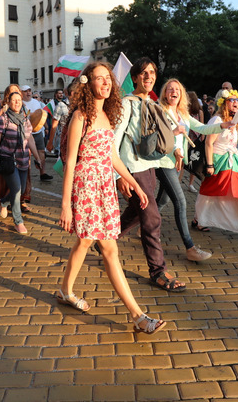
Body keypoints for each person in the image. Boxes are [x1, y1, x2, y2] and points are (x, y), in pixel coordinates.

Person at [57, 61, 167, 333]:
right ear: (87, 83)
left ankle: (64, 291)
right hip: (85, 184)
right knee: (104, 247)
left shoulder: (108, 114)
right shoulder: (81, 116)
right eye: (99, 79)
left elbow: (113, 156)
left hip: (104, 186)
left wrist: (136, 185)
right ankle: (138, 316)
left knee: (86, 243)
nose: (106, 83)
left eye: (108, 78)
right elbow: (71, 162)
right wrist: (65, 205)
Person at [115, 57, 186, 292]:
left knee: (137, 211)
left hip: (148, 167)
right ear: (134, 77)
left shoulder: (152, 103)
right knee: (152, 218)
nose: (149, 76)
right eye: (143, 73)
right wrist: (120, 177)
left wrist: (175, 150)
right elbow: (114, 141)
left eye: (152, 72)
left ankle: (105, 240)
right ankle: (157, 271)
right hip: (133, 169)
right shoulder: (127, 103)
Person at [155, 79, 227, 261]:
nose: (174, 91)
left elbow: (202, 127)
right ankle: (190, 247)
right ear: (165, 93)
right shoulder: (160, 111)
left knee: (162, 200)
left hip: (176, 163)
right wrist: (174, 135)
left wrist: (221, 126)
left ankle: (142, 224)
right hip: (163, 162)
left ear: (181, 94)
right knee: (180, 202)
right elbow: (156, 138)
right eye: (170, 89)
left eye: (177, 89)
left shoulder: (183, 113)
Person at [194, 89, 238, 241]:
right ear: (224, 103)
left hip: (233, 162)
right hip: (218, 161)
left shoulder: (236, 121)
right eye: (231, 100)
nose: (235, 103)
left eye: (237, 100)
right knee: (210, 192)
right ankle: (199, 220)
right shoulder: (217, 120)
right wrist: (209, 164)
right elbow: (208, 143)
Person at [0, 90, 42, 233]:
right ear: (8, 103)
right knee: (17, 189)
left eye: (19, 100)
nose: (17, 102)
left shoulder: (25, 119)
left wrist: (37, 158)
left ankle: (4, 201)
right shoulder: (4, 119)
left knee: (19, 189)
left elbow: (30, 139)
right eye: (14, 100)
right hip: (8, 159)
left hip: (24, 159)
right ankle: (18, 221)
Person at [22, 85, 53, 181]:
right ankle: (27, 175)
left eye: (29, 91)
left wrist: (46, 127)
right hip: (26, 132)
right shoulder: (21, 103)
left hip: (38, 132)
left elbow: (41, 116)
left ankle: (42, 173)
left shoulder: (36, 102)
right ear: (21, 93)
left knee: (41, 152)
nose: (28, 93)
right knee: (28, 154)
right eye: (25, 91)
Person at [46, 88, 70, 158]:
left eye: (62, 93)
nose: (61, 95)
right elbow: (54, 124)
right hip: (61, 131)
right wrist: (50, 142)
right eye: (59, 93)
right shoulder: (55, 103)